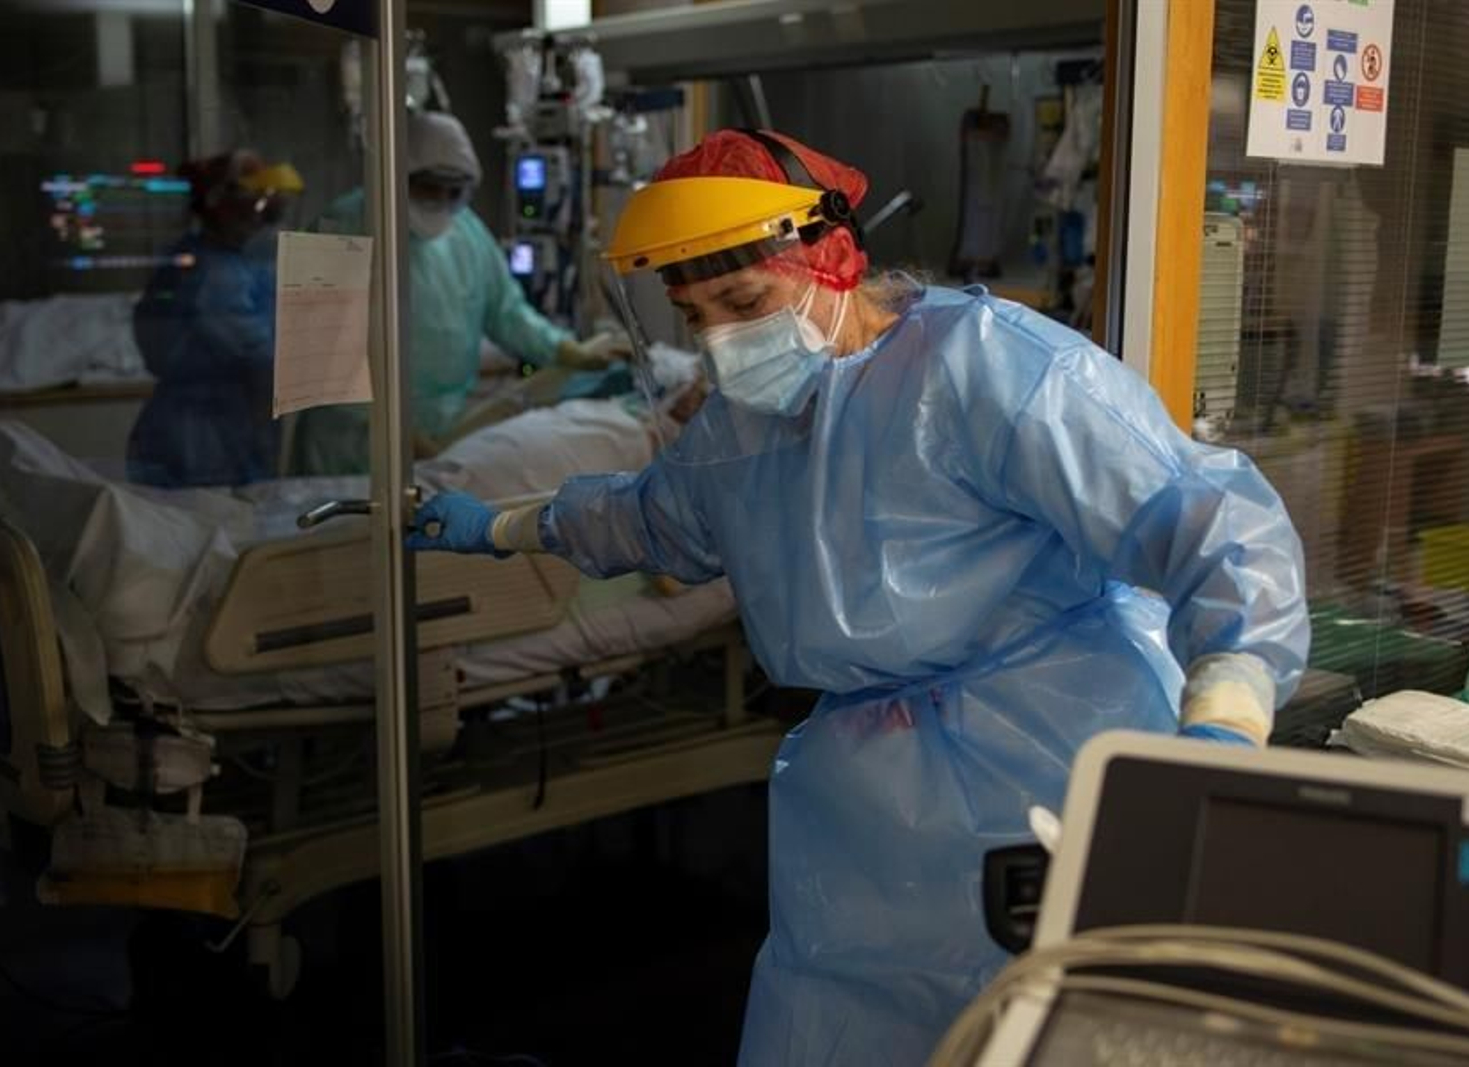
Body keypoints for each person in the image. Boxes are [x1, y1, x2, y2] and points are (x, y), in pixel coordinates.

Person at [406, 130, 1311, 1065]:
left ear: (832, 258)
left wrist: (1221, 732)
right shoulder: (741, 424)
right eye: (694, 316)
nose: (720, 340)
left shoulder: (990, 368)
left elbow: (1210, 522)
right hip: (865, 817)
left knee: (1047, 1029)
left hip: (1053, 767)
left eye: (744, 301)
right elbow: (653, 520)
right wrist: (505, 527)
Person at [294, 111, 624, 473]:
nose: (441, 200)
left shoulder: (466, 232)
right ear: (395, 174)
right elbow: (320, 360)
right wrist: (390, 429)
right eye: (429, 187)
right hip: (350, 439)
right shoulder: (337, 229)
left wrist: (566, 350)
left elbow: (508, 313)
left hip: (443, 426)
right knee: (349, 526)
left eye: (454, 191)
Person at [128, 150, 302, 487]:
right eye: (258, 208)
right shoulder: (213, 275)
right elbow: (261, 358)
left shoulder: (235, 263)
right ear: (223, 208)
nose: (267, 220)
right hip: (203, 442)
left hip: (229, 427)